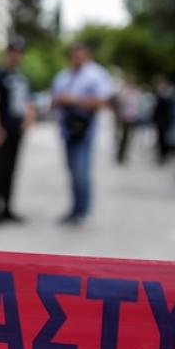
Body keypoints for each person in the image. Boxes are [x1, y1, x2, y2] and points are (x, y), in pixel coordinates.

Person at [51, 42, 113, 226]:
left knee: (81, 172)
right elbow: (53, 100)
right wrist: (60, 101)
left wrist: (74, 100)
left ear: (87, 55)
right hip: (67, 131)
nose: (77, 58)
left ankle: (82, 211)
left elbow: (102, 102)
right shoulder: (63, 76)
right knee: (72, 172)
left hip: (84, 132)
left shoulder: (95, 75)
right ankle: (75, 209)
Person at [0, 37, 35, 225]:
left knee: (11, 172)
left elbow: (28, 102)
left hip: (16, 131)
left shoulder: (21, 77)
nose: (16, 56)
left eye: (19, 52)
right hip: (2, 131)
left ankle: (7, 209)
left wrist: (28, 118)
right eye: (13, 52)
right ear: (8, 53)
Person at [115, 77, 142, 164]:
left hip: (133, 117)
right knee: (124, 137)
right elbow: (120, 104)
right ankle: (120, 154)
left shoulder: (137, 92)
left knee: (130, 137)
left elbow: (138, 105)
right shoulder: (125, 92)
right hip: (125, 117)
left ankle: (125, 153)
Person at [151, 76, 174, 165]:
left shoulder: (166, 95)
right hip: (160, 120)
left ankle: (164, 154)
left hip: (164, 120)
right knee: (161, 138)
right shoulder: (159, 95)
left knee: (164, 138)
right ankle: (162, 154)